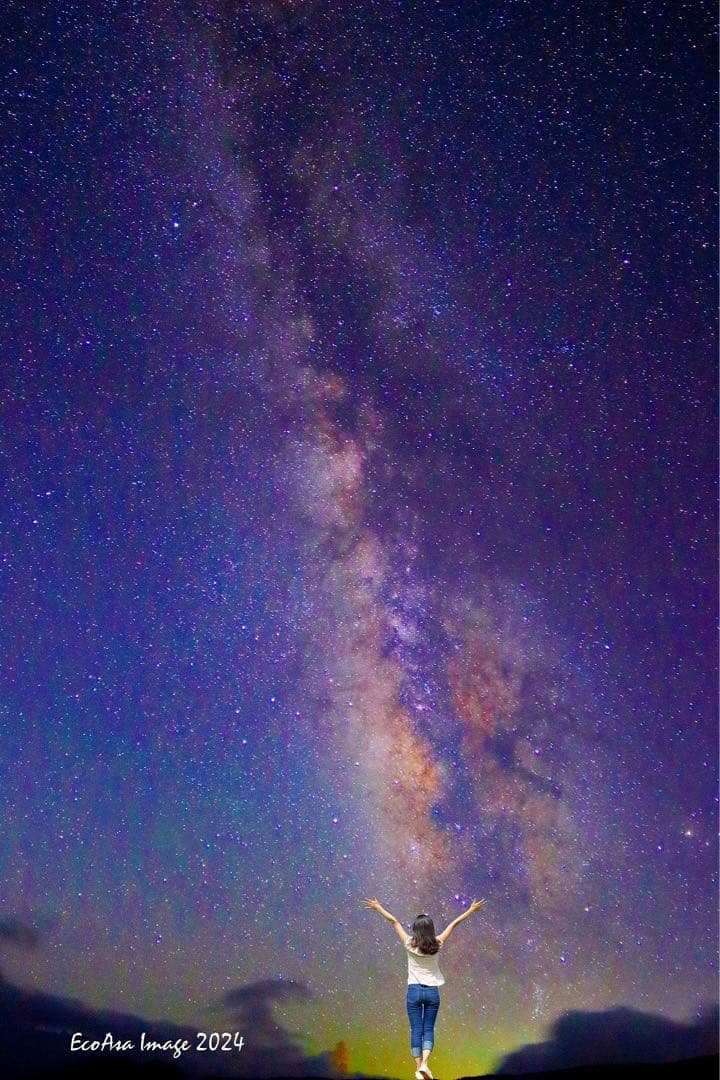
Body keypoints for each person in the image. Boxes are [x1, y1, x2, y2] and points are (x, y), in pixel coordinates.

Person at [362, 897, 487, 1079]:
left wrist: (378, 907)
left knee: (416, 1029)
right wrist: (471, 910)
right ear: (431, 929)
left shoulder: (408, 943)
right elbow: (454, 924)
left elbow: (394, 921)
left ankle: (419, 1067)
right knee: (428, 1028)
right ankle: (426, 1065)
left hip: (414, 991)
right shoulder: (437, 943)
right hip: (432, 991)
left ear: (415, 929)